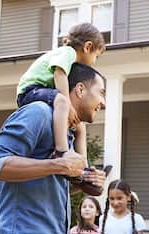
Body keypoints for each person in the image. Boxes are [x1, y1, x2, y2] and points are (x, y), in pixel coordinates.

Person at [0, 62, 106, 234]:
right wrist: (58, 164)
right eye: (101, 92)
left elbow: (48, 183)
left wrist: (83, 183)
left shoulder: (66, 134)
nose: (103, 102)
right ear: (79, 90)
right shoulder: (38, 113)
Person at [17, 22, 105, 162]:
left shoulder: (67, 57)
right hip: (30, 90)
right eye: (96, 56)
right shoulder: (68, 53)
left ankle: (80, 163)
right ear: (88, 47)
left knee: (77, 122)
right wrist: (68, 104)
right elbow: (59, 74)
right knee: (62, 101)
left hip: (38, 90)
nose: (94, 61)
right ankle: (61, 151)